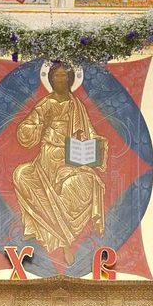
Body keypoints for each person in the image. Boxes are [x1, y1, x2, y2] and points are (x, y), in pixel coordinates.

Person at [13, 62, 106, 264]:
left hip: (72, 159)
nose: (60, 79)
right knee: (21, 174)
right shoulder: (45, 104)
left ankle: (60, 238)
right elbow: (26, 131)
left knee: (83, 183)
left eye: (64, 76)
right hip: (47, 159)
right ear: (51, 79)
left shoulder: (77, 106)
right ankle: (63, 243)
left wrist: (96, 147)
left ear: (71, 79)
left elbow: (90, 133)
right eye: (56, 76)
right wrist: (40, 126)